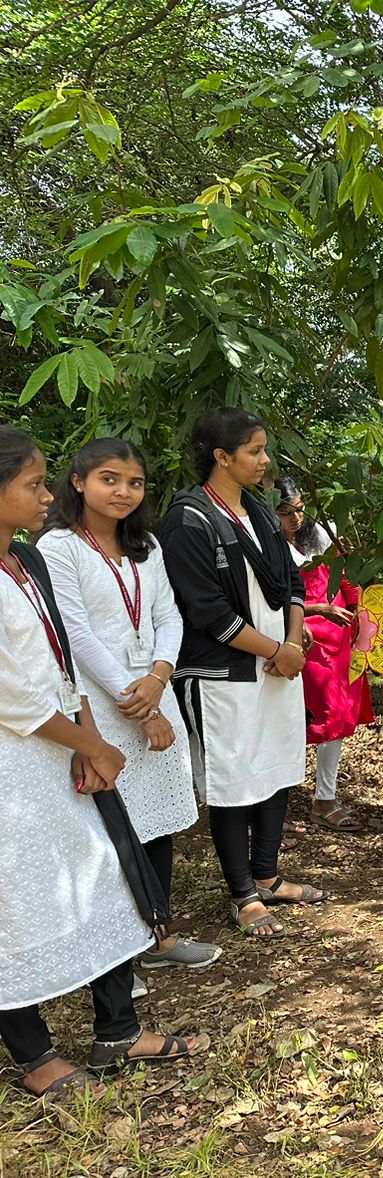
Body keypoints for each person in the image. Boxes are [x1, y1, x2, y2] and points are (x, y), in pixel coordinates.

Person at [0, 427, 201, 1097]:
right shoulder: (45, 551)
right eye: (32, 483)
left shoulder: (24, 560)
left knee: (110, 875)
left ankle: (118, 1028)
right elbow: (13, 695)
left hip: (66, 745)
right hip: (16, 764)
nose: (44, 493)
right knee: (19, 902)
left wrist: (89, 733)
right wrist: (95, 741)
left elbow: (59, 657)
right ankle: (33, 1054)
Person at [38, 439, 222, 974]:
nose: (123, 492)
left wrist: (159, 676)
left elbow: (170, 616)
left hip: (153, 688)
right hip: (98, 705)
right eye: (109, 479)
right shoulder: (59, 548)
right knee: (108, 828)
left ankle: (158, 939)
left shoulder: (146, 545)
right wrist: (141, 701)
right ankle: (114, 959)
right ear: (78, 482)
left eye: (134, 483)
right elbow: (76, 634)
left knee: (156, 821)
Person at [160, 408, 324, 940]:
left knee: (274, 767)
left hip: (278, 667)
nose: (264, 460)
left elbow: (292, 581)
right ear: (221, 457)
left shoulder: (256, 509)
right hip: (224, 674)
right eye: (253, 451)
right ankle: (242, 893)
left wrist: (293, 643)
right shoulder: (189, 518)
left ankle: (268, 875)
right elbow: (205, 609)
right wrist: (275, 648)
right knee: (233, 781)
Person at [275, 479, 374, 832]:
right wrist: (319, 609)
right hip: (301, 637)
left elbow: (347, 582)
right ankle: (275, 803)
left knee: (339, 718)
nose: (295, 518)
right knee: (305, 717)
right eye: (285, 512)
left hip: (342, 639)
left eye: (299, 509)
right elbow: (277, 600)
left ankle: (325, 797)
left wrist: (367, 623)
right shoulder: (266, 545)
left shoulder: (323, 536)